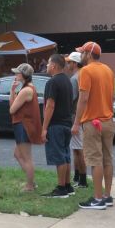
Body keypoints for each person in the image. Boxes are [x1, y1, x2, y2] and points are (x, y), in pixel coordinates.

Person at [73, 41, 115, 210]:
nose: (81, 55)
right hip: (108, 120)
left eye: (82, 52)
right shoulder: (108, 70)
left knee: (95, 160)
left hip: (92, 121)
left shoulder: (86, 71)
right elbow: (111, 97)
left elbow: (83, 99)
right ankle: (107, 196)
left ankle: (98, 199)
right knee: (107, 159)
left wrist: (76, 123)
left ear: (89, 54)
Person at [41, 54, 75, 198]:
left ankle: (61, 188)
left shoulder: (52, 82)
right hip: (67, 123)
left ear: (54, 66)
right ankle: (67, 186)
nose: (47, 66)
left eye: (48, 63)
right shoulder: (67, 81)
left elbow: (50, 105)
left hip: (56, 124)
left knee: (59, 157)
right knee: (66, 155)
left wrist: (44, 128)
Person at [9, 63, 43, 192]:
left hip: (24, 126)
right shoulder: (25, 88)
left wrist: (15, 93)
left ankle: (30, 186)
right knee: (17, 154)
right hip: (22, 125)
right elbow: (12, 106)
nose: (15, 75)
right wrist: (12, 91)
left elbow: (12, 110)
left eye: (17, 73)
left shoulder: (26, 90)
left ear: (23, 75)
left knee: (27, 158)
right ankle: (31, 181)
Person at [65, 52, 88, 188]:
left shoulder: (74, 78)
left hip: (76, 117)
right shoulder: (83, 75)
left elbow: (72, 99)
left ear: (74, 63)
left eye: (69, 62)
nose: (68, 64)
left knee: (78, 149)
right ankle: (77, 176)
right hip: (84, 116)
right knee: (76, 148)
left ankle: (82, 180)